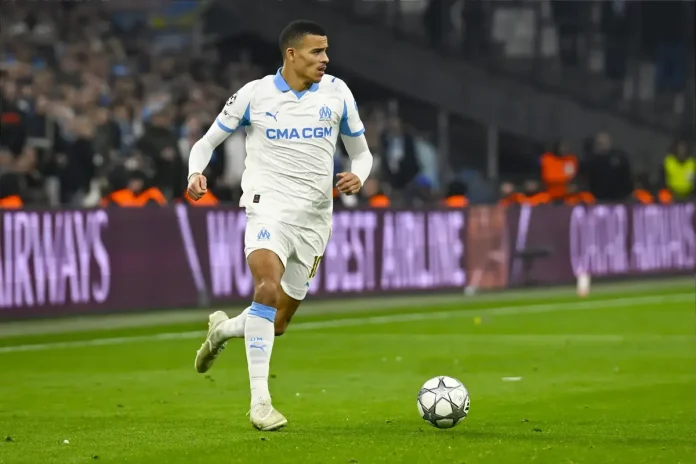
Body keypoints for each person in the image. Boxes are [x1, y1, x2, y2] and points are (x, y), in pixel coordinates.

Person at [185, 20, 373, 431]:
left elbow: (362, 153)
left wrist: (359, 175)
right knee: (266, 289)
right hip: (267, 208)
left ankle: (222, 331)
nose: (325, 59)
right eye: (316, 52)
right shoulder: (254, 95)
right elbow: (205, 142)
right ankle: (260, 404)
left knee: (277, 322)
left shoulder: (338, 93)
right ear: (292, 54)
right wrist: (195, 172)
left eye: (326, 51)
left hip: (314, 220)